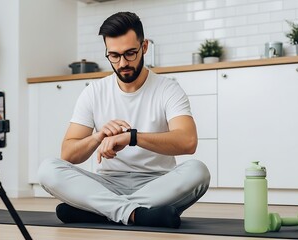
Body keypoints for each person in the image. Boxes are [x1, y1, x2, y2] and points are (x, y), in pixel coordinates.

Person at [38, 12, 210, 229]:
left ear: (144, 47)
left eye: (130, 53)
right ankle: (137, 214)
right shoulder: (94, 91)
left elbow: (187, 142)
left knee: (198, 171)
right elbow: (68, 154)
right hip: (108, 185)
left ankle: (103, 212)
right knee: (47, 169)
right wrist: (98, 137)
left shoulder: (168, 88)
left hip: (158, 185)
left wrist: (132, 137)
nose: (122, 63)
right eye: (114, 56)